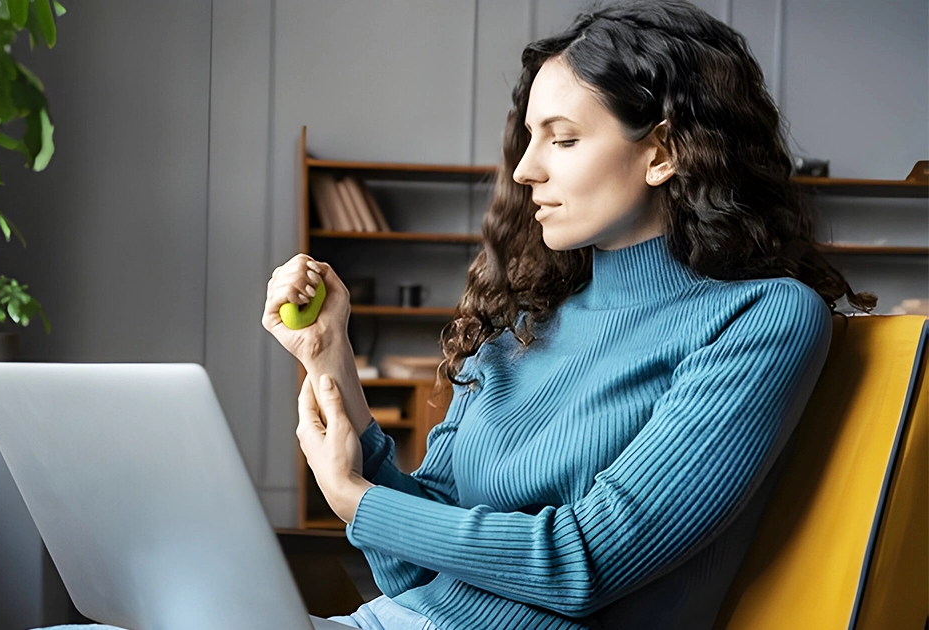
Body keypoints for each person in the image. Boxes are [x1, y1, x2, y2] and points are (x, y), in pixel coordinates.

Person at [262, 1, 876, 629]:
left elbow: (583, 564)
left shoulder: (763, 318)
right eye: (530, 138)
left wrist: (351, 497)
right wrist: (329, 358)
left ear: (662, 151)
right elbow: (414, 571)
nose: (526, 169)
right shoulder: (526, 322)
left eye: (564, 138)